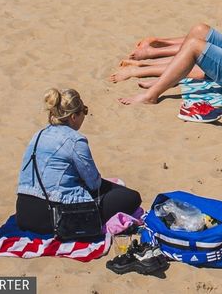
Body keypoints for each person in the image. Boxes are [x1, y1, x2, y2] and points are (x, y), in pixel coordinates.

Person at [16, 88, 143, 235]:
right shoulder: (75, 140)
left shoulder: (38, 135)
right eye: (84, 111)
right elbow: (94, 183)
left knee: (113, 189)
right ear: (73, 117)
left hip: (24, 211)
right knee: (131, 197)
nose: (84, 116)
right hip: (55, 215)